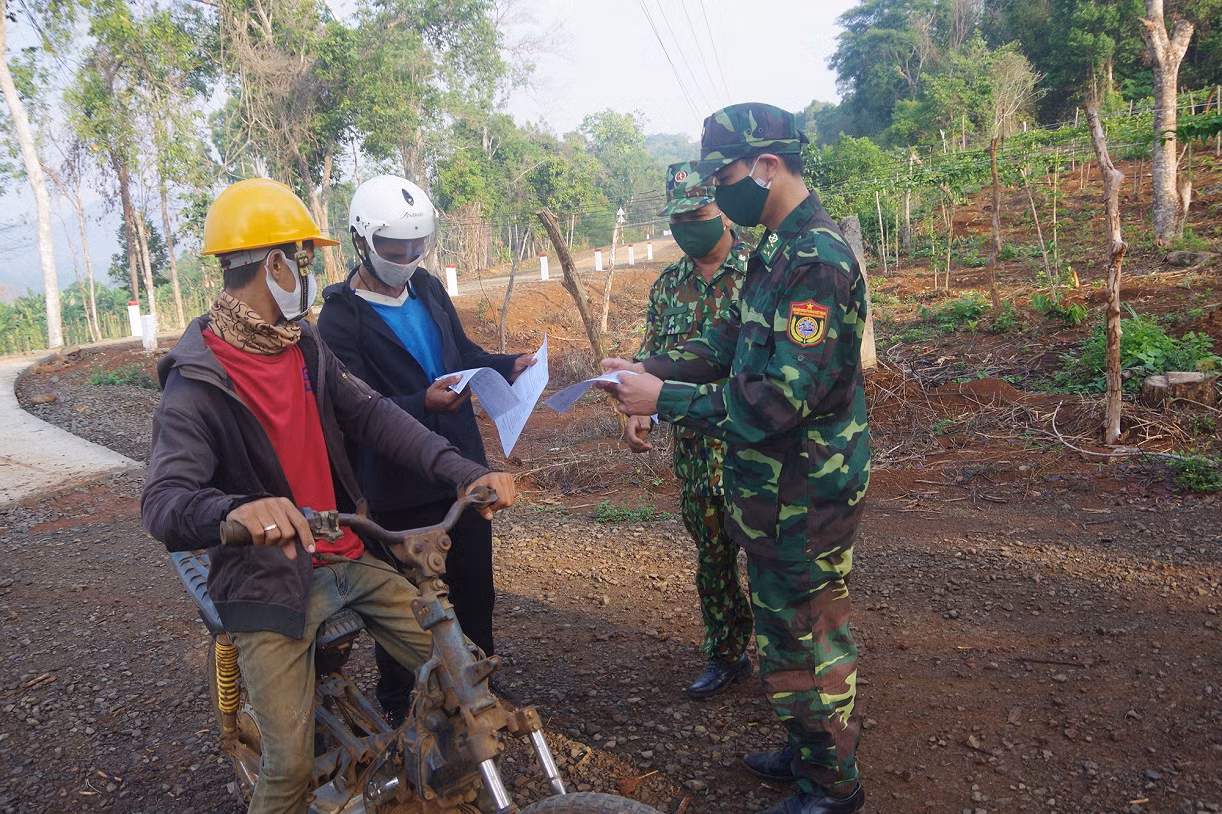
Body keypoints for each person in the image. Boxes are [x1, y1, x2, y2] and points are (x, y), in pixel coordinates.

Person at [141, 177, 516, 814]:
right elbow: (164, 501)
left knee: (466, 683)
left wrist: (461, 471)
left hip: (346, 554)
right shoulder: (198, 380)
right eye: (303, 259)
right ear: (275, 265)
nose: (311, 273)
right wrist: (236, 510)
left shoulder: (303, 344)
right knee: (289, 765)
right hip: (268, 579)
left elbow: (374, 415)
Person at [598, 103, 870, 814]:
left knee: (808, 637)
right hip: (773, 491)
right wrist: (651, 368)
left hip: (807, 490)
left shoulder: (816, 260)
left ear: (768, 166)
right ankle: (807, 748)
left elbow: (782, 397)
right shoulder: (778, 248)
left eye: (723, 179)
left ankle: (831, 787)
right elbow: (730, 341)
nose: (718, 196)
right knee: (783, 632)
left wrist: (666, 399)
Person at [317, 174, 534, 722]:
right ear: (361, 240)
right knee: (407, 605)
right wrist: (421, 404)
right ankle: (403, 705)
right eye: (394, 248)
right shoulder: (341, 316)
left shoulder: (429, 288)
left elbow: (461, 353)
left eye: (418, 245)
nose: (408, 257)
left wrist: (507, 365)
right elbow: (354, 406)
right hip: (397, 485)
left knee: (474, 589)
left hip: (460, 468)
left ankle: (478, 688)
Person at [625, 160, 753, 700]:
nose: (686, 228)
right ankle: (726, 653)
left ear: (724, 212)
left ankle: (788, 663)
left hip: (755, 449)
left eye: (696, 215)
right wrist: (640, 412)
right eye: (677, 219)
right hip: (698, 452)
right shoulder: (667, 286)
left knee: (769, 560)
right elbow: (652, 360)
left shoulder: (761, 273)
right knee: (712, 558)